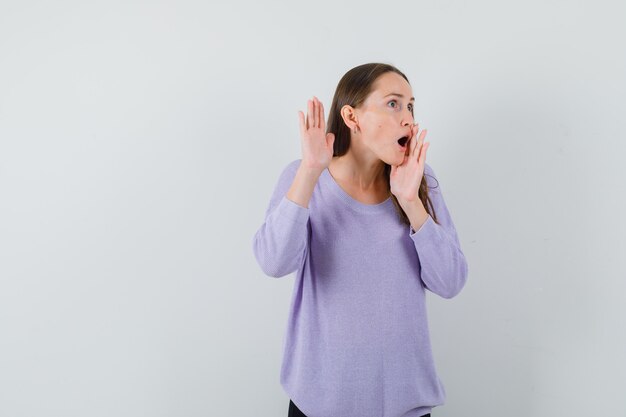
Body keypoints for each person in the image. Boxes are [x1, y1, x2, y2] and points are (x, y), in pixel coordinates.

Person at [252, 63, 468, 417]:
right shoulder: (302, 176)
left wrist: (411, 202)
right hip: (319, 407)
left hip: (406, 408)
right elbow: (274, 261)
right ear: (352, 117)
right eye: (394, 104)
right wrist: (309, 171)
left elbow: (450, 282)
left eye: (411, 106)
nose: (408, 119)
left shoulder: (419, 180)